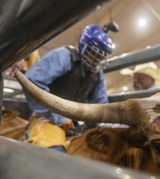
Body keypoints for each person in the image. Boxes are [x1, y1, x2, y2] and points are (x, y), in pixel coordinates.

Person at [22, 22, 118, 152]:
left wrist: (105, 129)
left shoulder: (97, 73)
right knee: (56, 153)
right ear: (83, 46)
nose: (97, 60)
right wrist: (59, 117)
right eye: (94, 53)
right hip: (46, 118)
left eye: (101, 57)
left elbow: (100, 104)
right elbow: (33, 81)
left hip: (74, 125)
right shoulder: (64, 56)